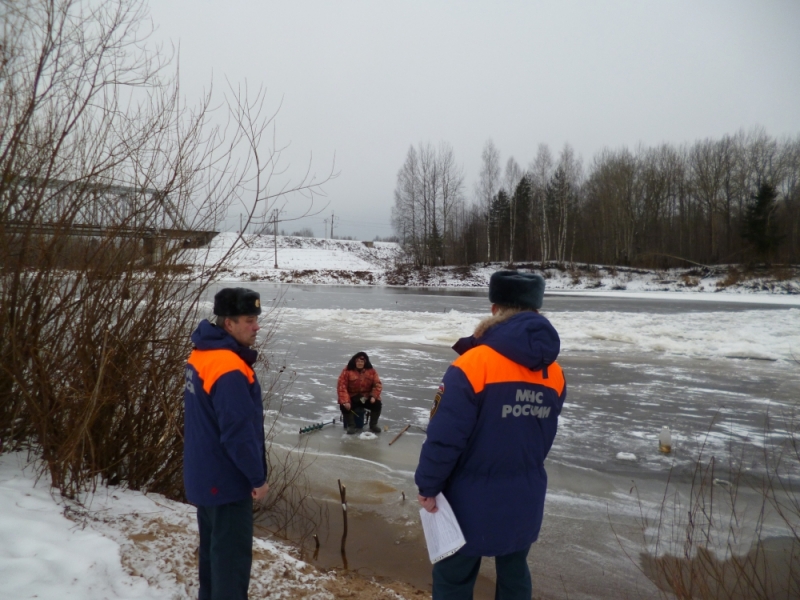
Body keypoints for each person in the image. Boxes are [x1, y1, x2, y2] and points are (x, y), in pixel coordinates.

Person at [415, 271, 566, 600]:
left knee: (454, 577)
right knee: (514, 574)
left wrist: (428, 486)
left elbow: (445, 437)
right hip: (525, 495)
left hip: (466, 498)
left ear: (494, 308)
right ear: (536, 310)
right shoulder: (553, 371)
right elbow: (543, 434)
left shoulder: (474, 363)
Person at [184, 287, 270, 600]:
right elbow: (237, 433)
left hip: (204, 477)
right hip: (227, 482)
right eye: (249, 320)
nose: (256, 326)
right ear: (229, 324)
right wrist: (257, 478)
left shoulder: (202, 353)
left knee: (212, 560)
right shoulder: (229, 368)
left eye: (256, 319)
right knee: (230, 568)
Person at [337, 351, 383, 434]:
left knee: (377, 404)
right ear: (354, 361)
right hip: (351, 396)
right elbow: (341, 387)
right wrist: (346, 401)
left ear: (365, 362)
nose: (360, 363)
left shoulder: (372, 371)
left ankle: (373, 425)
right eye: (358, 361)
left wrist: (373, 396)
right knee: (343, 405)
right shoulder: (347, 371)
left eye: (362, 362)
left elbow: (378, 385)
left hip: (365, 397)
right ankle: (351, 425)